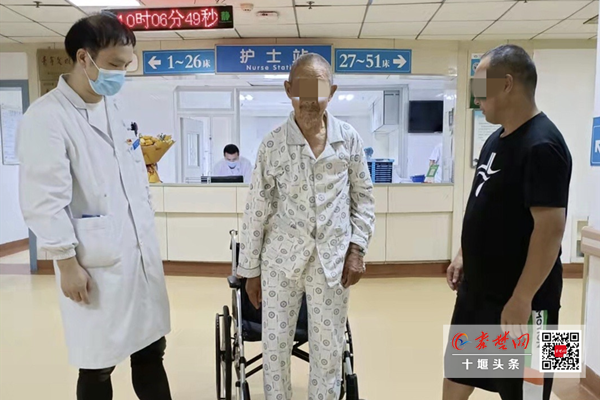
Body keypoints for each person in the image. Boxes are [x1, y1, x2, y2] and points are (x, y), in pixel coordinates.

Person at [17, 13, 171, 400]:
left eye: (126, 65)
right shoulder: (46, 117)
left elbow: (133, 180)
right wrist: (66, 262)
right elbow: (43, 200)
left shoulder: (112, 108)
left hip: (138, 257)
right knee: (98, 364)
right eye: (114, 64)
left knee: (151, 351)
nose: (121, 74)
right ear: (84, 58)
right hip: (94, 265)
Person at [237, 53, 375, 400]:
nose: (310, 99)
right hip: (280, 263)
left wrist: (357, 248)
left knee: (328, 352)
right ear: (288, 90)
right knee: (274, 349)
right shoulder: (272, 144)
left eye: (319, 89)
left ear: (333, 91)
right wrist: (250, 270)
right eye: (302, 89)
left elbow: (363, 199)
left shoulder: (348, 139)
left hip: (332, 263)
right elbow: (256, 209)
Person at [443, 45, 572, 400]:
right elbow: (483, 204)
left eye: (481, 87)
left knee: (527, 394)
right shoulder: (495, 139)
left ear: (507, 84)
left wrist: (522, 298)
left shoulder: (544, 145)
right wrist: (464, 254)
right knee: (456, 377)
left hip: (526, 303)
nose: (476, 98)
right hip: (478, 296)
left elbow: (551, 230)